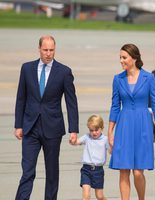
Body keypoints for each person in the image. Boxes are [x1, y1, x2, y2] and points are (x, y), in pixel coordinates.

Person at [14, 35, 79, 200]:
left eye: (51, 50)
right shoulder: (27, 68)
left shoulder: (64, 72)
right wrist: (18, 125)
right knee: (27, 171)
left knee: (52, 172)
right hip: (30, 127)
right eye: (45, 50)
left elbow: (71, 102)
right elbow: (21, 97)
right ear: (39, 49)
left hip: (53, 129)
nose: (48, 53)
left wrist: (73, 129)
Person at [108, 43, 155, 200]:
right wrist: (110, 132)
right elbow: (114, 106)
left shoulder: (149, 78)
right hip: (124, 124)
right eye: (120, 57)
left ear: (134, 58)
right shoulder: (117, 79)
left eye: (124, 57)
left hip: (143, 125)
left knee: (138, 171)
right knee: (124, 169)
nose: (121, 60)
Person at [71, 115, 108, 200]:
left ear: (101, 128)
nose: (94, 133)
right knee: (86, 195)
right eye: (91, 130)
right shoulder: (87, 137)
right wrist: (73, 141)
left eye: (96, 130)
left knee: (99, 196)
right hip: (86, 170)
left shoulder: (105, 140)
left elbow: (111, 150)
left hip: (98, 171)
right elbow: (77, 142)